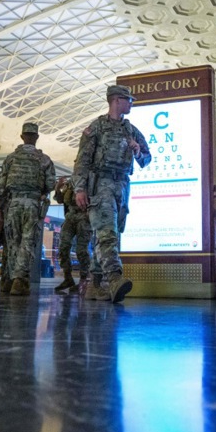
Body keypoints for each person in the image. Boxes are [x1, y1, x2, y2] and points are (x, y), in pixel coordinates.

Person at [72, 85, 151, 303]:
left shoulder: (131, 130)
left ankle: (95, 286)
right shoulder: (96, 128)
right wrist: (79, 188)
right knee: (106, 232)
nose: (131, 104)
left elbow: (146, 159)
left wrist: (137, 151)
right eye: (129, 100)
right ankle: (115, 277)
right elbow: (83, 161)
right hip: (101, 184)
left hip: (122, 186)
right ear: (116, 100)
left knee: (111, 235)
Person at [0, 123, 55, 296]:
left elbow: (1, 186)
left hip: (13, 204)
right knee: (28, 242)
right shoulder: (44, 159)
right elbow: (50, 184)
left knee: (13, 242)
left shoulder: (11, 158)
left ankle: (11, 279)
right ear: (36, 137)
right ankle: (19, 281)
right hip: (32, 204)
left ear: (22, 137)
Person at [52, 175, 91, 293]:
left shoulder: (89, 180)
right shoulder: (70, 183)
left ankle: (84, 280)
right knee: (63, 247)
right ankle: (67, 278)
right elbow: (60, 199)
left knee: (81, 250)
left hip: (84, 217)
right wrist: (57, 187)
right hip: (70, 217)